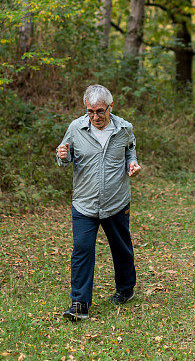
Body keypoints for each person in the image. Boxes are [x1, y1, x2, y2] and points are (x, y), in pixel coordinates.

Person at [55, 84, 142, 321]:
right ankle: (80, 303)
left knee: (121, 249)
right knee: (82, 250)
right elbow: (65, 154)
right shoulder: (76, 128)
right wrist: (62, 157)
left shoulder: (124, 129)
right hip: (85, 203)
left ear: (110, 107)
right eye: (90, 111)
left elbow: (130, 151)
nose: (95, 117)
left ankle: (126, 290)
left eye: (100, 111)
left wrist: (132, 164)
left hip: (116, 202)